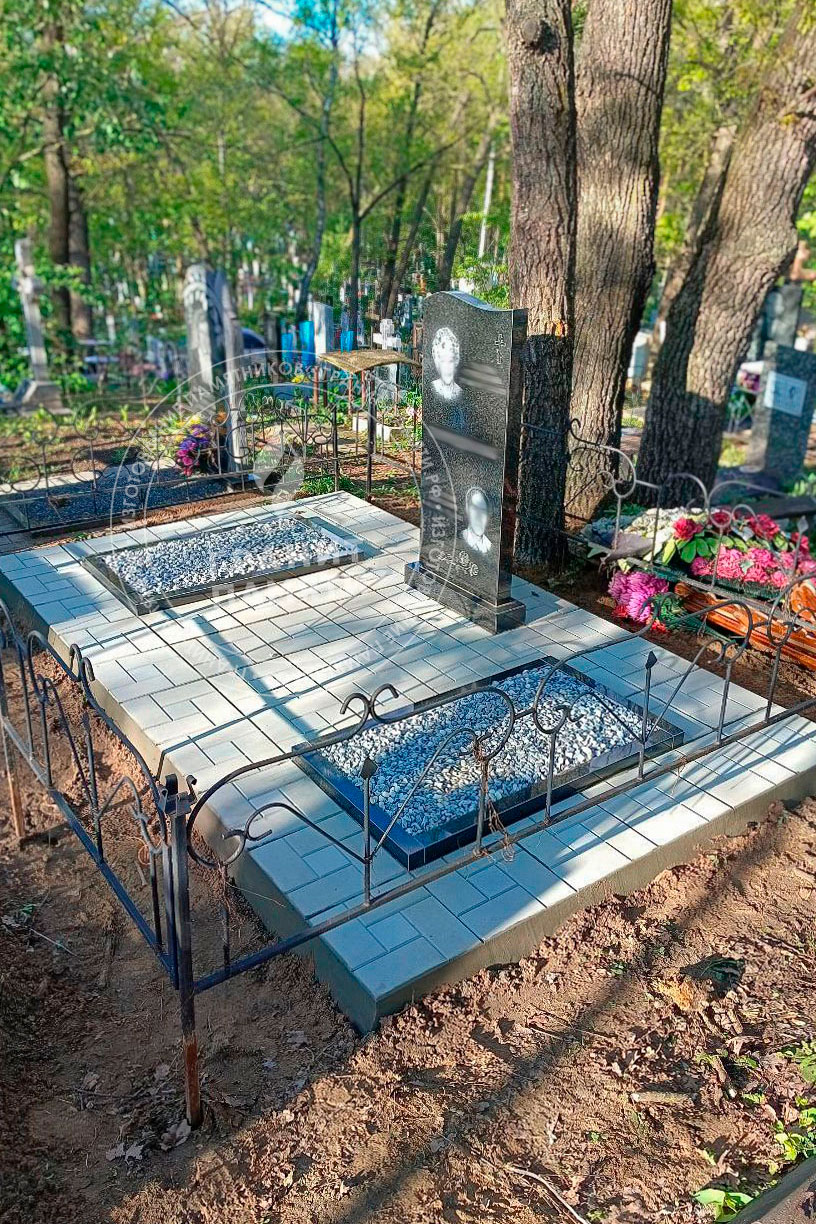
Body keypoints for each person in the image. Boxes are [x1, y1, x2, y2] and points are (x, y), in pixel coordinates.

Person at [431, 326, 463, 402]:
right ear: (437, 362)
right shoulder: (430, 389)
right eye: (443, 361)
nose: (447, 367)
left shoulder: (461, 393)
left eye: (450, 361)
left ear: (456, 361)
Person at [461, 486, 491, 554]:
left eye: (483, 511)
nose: (479, 516)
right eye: (475, 509)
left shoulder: (490, 545)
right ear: (467, 511)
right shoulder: (459, 540)